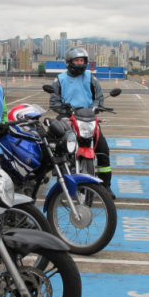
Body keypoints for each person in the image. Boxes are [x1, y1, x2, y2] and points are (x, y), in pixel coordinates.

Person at [49, 47, 114, 196]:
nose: (79, 63)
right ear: (69, 62)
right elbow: (54, 101)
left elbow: (99, 98)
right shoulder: (59, 79)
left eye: (82, 60)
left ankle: (106, 185)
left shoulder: (91, 78)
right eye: (76, 60)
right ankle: (58, 168)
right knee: (55, 139)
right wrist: (65, 110)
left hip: (88, 118)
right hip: (69, 117)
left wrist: (93, 109)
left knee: (103, 150)